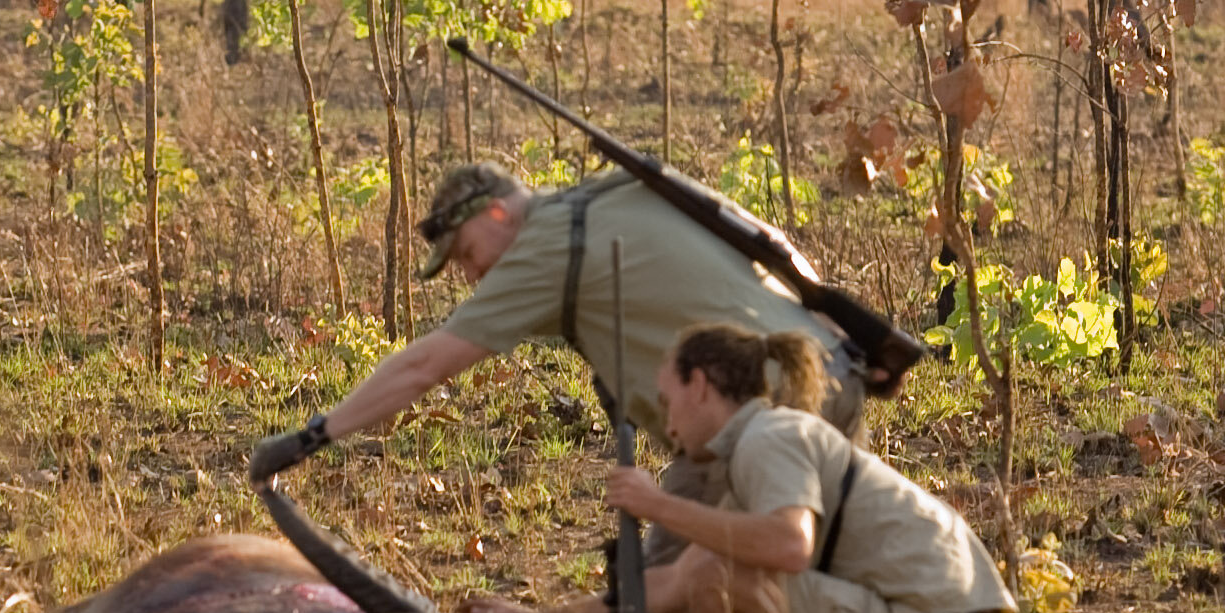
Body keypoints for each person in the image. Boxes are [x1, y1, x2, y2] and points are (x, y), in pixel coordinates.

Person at [466, 323, 1012, 613]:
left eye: (668, 402)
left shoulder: (769, 437)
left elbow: (789, 545)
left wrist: (659, 506)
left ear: (700, 385)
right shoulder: (749, 459)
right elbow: (667, 588)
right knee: (714, 585)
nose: (669, 425)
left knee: (718, 582)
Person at [249, 159, 869, 478]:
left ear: (496, 217)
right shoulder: (608, 195)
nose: (471, 277)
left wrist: (312, 437)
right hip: (824, 370)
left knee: (723, 593)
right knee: (673, 588)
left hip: (772, 416)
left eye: (466, 255)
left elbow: (425, 366)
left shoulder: (545, 247)